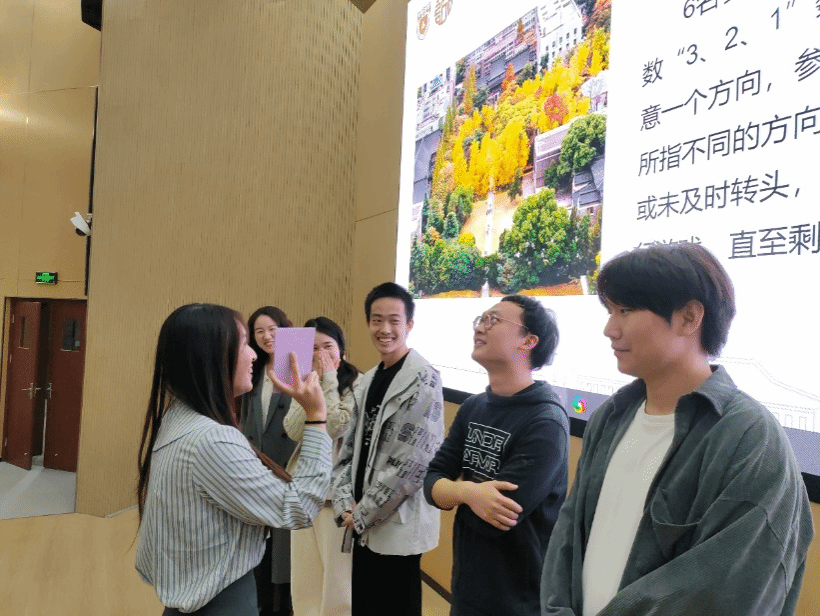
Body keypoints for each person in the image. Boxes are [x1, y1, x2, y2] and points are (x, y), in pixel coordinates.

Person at [540, 243, 814, 616]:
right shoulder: (610, 417)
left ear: (688, 317)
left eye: (626, 311)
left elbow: (727, 593)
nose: (609, 329)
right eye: (609, 311)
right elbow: (568, 536)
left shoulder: (749, 438)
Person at [135, 303, 332, 616]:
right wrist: (316, 416)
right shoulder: (212, 439)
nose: (254, 352)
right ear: (211, 358)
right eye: (244, 342)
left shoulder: (178, 417)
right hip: (220, 601)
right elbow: (298, 508)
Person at [424, 295, 569, 616]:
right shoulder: (474, 406)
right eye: (481, 319)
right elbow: (431, 483)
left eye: (494, 320)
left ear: (528, 341)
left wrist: (453, 492)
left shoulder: (546, 422)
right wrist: (468, 492)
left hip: (518, 601)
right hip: (467, 590)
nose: (480, 328)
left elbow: (496, 519)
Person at [332, 282, 444, 616]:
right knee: (364, 605)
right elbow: (348, 449)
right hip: (360, 519)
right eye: (377, 320)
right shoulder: (368, 379)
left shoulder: (424, 378)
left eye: (394, 320)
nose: (385, 329)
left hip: (394, 523)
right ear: (368, 323)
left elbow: (412, 463)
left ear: (409, 325)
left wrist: (361, 514)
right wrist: (344, 503)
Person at [284, 317, 362, 616]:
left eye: (328, 346)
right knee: (304, 578)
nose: (320, 354)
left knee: (336, 583)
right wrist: (310, 387)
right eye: (313, 348)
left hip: (337, 495)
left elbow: (336, 426)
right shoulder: (304, 381)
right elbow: (293, 431)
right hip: (304, 491)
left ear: (341, 349)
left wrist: (328, 380)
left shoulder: (358, 382)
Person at [240, 306, 298, 616]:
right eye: (259, 331)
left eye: (273, 329)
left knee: (284, 551)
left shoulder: (294, 363)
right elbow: (248, 417)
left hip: (287, 469)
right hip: (256, 469)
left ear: (285, 329)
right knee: (258, 545)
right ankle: (261, 604)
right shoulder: (255, 367)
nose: (266, 336)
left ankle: (282, 607)